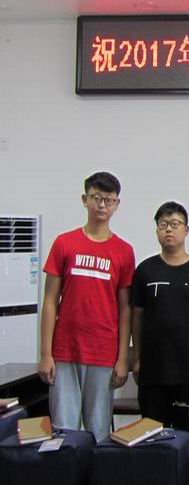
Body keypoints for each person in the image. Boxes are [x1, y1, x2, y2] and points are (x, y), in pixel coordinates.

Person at [38, 171, 135, 441]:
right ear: (85, 199)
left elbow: (125, 309)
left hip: (103, 352)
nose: (102, 205)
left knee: (99, 432)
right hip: (64, 351)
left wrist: (122, 358)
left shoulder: (124, 251)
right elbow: (50, 301)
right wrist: (45, 354)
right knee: (64, 432)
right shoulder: (64, 243)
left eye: (108, 199)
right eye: (96, 198)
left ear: (116, 204)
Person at [131, 201, 189, 458]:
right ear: (157, 230)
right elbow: (137, 317)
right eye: (163, 224)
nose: (169, 229)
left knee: (188, 441)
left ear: (186, 230)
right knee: (152, 441)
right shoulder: (145, 270)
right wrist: (137, 358)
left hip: (188, 370)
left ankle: (188, 475)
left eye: (175, 224)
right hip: (153, 371)